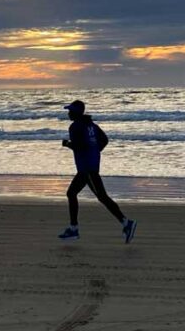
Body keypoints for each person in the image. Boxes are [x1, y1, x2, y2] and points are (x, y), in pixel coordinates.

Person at [58, 100, 136, 243]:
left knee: (102, 197)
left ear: (76, 113)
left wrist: (67, 144)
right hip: (89, 167)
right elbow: (104, 140)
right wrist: (95, 151)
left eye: (70, 111)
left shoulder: (75, 127)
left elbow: (79, 145)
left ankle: (126, 223)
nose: (68, 113)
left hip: (87, 169)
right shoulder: (92, 125)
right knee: (72, 193)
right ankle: (73, 229)